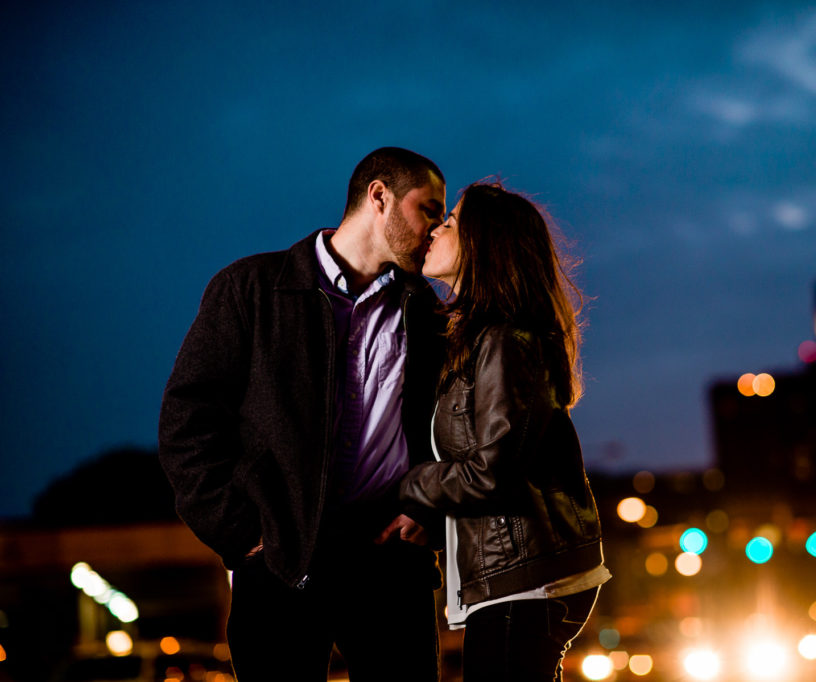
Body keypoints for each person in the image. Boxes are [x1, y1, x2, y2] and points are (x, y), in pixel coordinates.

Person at [158, 147, 448, 681]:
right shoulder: (250, 288)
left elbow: (446, 433)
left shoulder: (425, 311)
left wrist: (429, 512)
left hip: (389, 562)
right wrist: (241, 533)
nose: (436, 227)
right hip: (279, 560)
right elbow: (187, 419)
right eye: (428, 208)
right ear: (379, 196)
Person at [377, 181, 611, 681]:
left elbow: (491, 474)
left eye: (453, 221)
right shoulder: (483, 334)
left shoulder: (505, 338)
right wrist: (437, 518)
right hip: (524, 575)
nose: (438, 228)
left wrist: (408, 484)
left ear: (483, 245)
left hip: (526, 582)